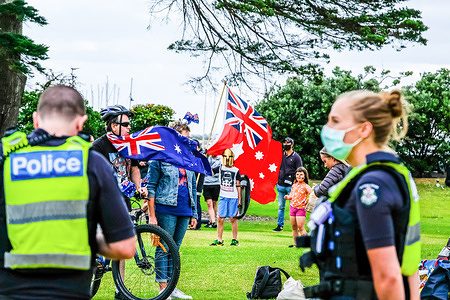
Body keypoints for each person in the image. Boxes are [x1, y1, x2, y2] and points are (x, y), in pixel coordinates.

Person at [0, 85, 136, 299]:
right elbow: (125, 247)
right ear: (81, 123)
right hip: (70, 292)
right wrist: (86, 237)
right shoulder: (92, 163)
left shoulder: (6, 158)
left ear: (36, 120)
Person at [299, 90, 420, 300]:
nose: (328, 129)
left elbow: (388, 276)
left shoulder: (372, 185)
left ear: (364, 129)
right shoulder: (372, 175)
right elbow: (408, 266)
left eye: (335, 121)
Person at [146, 120, 197, 300]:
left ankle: (172, 287)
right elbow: (151, 187)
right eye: (184, 138)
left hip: (185, 209)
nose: (187, 141)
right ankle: (163, 289)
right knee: (164, 247)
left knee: (175, 249)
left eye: (188, 138)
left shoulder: (188, 158)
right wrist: (152, 215)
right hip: (165, 208)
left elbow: (192, 185)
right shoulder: (159, 156)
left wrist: (194, 213)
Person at [92, 104, 147, 210]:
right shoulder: (97, 146)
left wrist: (139, 187)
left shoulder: (128, 145)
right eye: (125, 124)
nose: (129, 127)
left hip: (124, 200)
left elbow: (134, 168)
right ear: (113, 126)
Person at [210, 149, 242, 246]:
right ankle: (219, 240)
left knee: (233, 218)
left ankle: (234, 239)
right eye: (225, 158)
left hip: (233, 197)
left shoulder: (236, 170)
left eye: (229, 159)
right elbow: (210, 171)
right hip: (223, 197)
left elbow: (238, 185)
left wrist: (239, 199)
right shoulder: (220, 168)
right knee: (220, 218)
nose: (227, 161)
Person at [273, 137, 303, 232]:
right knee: (281, 206)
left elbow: (300, 170)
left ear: (292, 144)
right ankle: (279, 225)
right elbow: (276, 167)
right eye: (284, 143)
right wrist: (276, 179)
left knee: (293, 206)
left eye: (288, 143)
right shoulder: (280, 155)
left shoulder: (296, 157)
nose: (286, 144)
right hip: (281, 184)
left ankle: (296, 226)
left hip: (291, 185)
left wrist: (296, 181)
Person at [285, 167, 312, 246]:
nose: (299, 176)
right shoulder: (294, 185)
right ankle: (296, 244)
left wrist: (306, 201)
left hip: (301, 209)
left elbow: (312, 194)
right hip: (292, 207)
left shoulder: (306, 186)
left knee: (301, 227)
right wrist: (287, 197)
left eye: (301, 174)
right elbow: (292, 196)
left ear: (304, 176)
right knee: (294, 227)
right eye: (297, 174)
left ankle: (308, 244)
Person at [202, 154, 221, 228]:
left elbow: (218, 171)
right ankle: (213, 222)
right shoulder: (207, 159)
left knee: (214, 203)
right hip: (206, 183)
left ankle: (211, 220)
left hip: (216, 183)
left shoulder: (220, 160)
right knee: (209, 203)